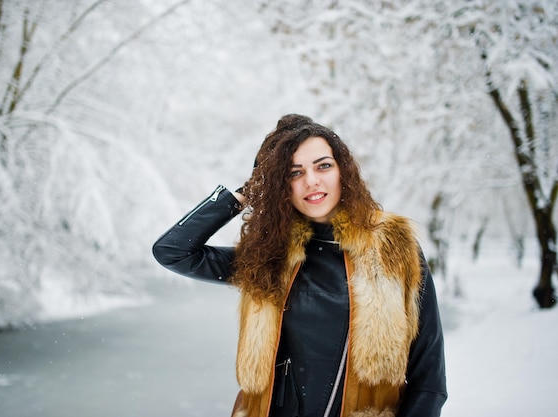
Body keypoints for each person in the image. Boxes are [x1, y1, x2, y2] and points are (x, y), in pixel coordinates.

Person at [152, 114, 447, 417]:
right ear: (281, 185)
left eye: (323, 166)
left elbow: (429, 376)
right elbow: (172, 251)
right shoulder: (267, 257)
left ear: (342, 170)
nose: (312, 181)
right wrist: (243, 195)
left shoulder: (392, 246)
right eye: (294, 173)